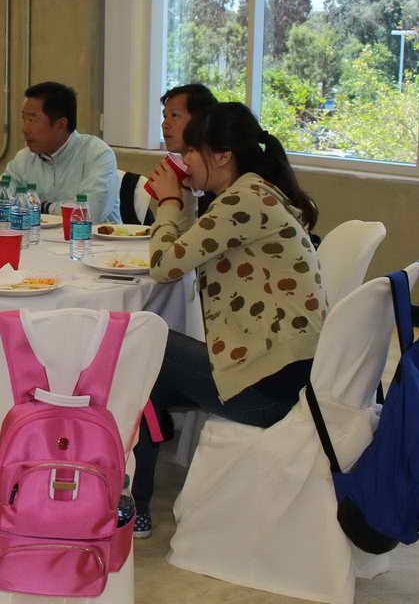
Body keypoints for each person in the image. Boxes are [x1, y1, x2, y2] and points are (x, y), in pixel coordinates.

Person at [129, 102, 326, 539]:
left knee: (143, 342)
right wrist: (181, 204)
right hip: (288, 378)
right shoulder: (256, 192)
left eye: (190, 151)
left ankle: (133, 503)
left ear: (221, 156)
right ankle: (134, 496)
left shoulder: (243, 201)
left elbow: (164, 264)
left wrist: (168, 202)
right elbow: (187, 250)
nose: (184, 162)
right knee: (149, 364)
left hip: (268, 390)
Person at [0, 82, 121, 223]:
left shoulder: (98, 154)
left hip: (91, 237)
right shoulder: (24, 158)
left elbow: (90, 213)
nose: (25, 129)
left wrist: (42, 207)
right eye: (24, 119)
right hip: (37, 236)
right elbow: (0, 197)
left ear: (60, 124)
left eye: (32, 120)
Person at [121, 83, 218, 225]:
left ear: (200, 121)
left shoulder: (218, 178)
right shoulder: (183, 170)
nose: (165, 124)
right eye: (165, 116)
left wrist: (169, 200)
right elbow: (181, 234)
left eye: (175, 115)